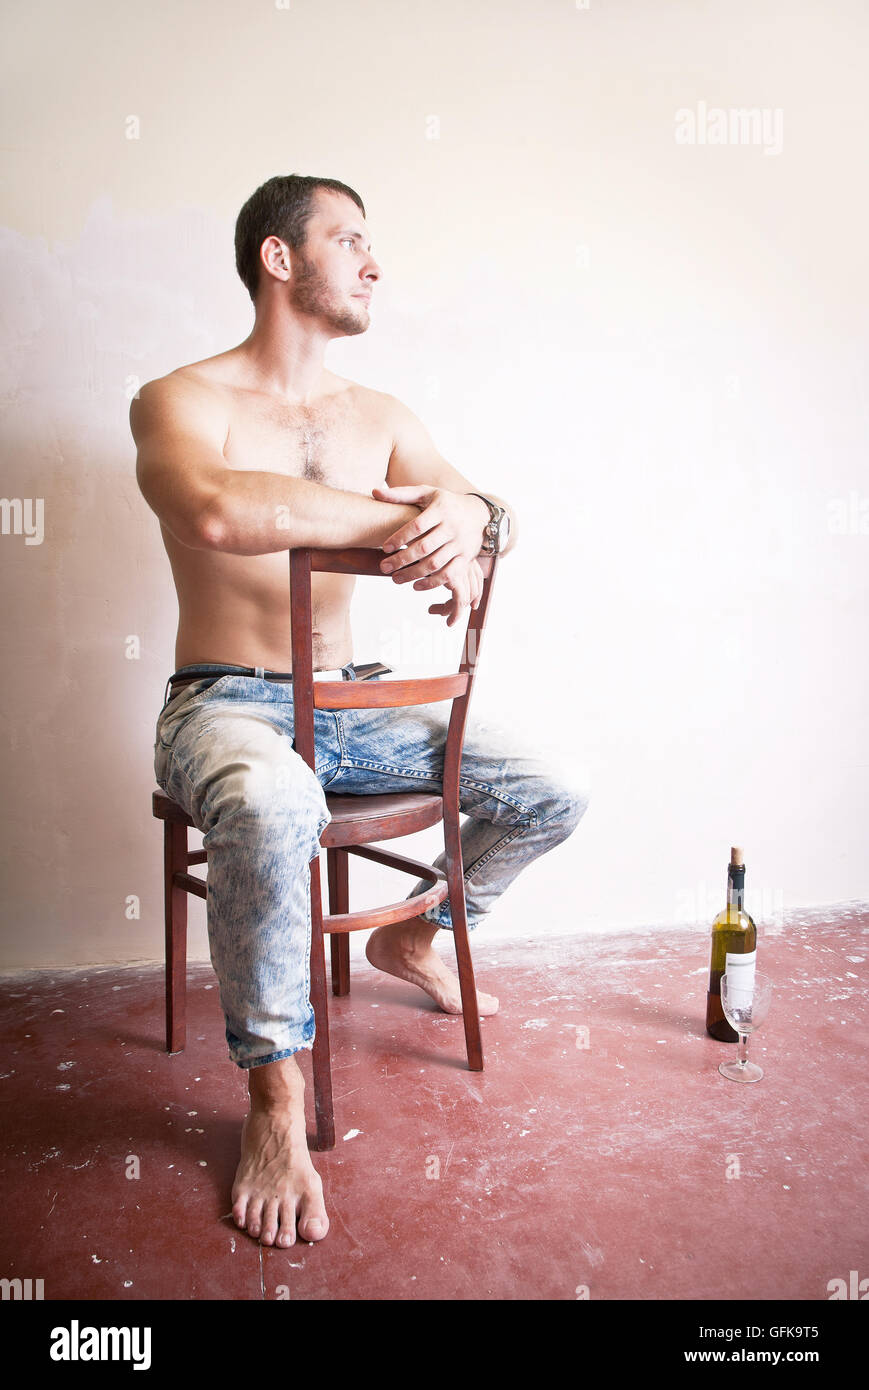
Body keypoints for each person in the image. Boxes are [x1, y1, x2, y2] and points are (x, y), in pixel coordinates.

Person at [130, 174, 589, 1251]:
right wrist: (402, 522)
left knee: (551, 790)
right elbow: (216, 505)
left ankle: (422, 934)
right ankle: (274, 1098)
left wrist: (471, 510)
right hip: (226, 704)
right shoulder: (179, 398)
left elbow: (487, 515)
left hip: (357, 698)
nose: (375, 264)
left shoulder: (379, 415)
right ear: (277, 259)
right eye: (350, 241)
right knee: (274, 803)